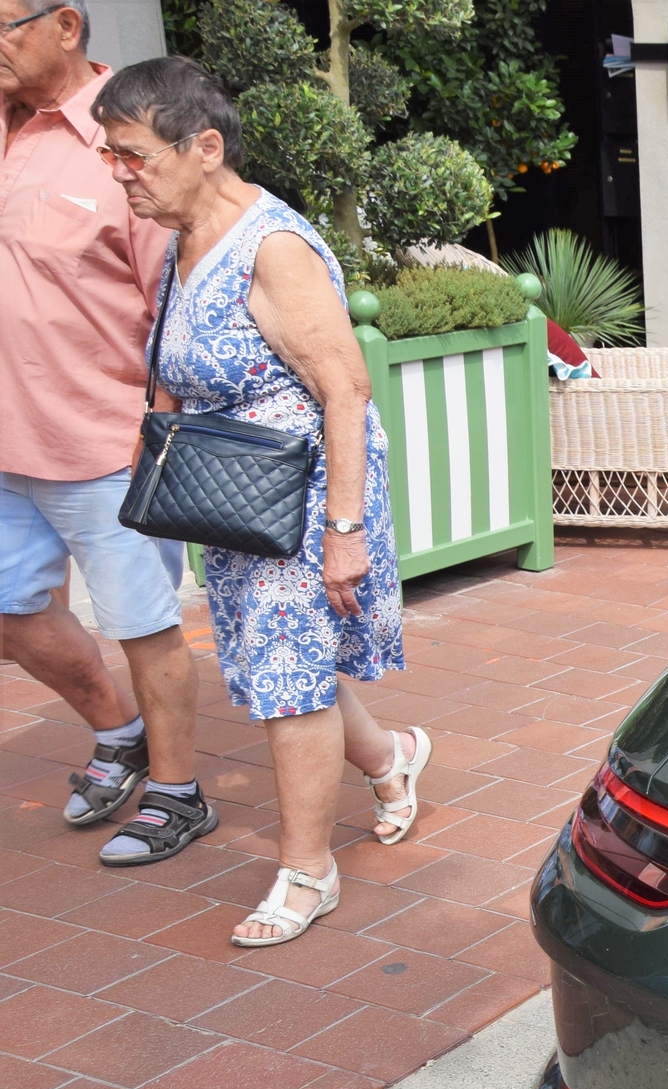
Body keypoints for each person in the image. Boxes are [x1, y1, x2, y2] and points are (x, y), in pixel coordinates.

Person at [94, 57, 428, 945]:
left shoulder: (271, 246)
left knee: (287, 681)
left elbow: (346, 392)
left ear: (204, 146)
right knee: (286, 669)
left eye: (134, 157)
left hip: (309, 489)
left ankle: (306, 871)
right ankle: (393, 759)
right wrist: (151, 455)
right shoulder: (181, 239)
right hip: (231, 491)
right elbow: (170, 366)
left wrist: (345, 531)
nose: (120, 174)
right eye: (111, 156)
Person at [0, 0, 213, 867]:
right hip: (5, 444)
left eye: (3, 23)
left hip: (105, 444)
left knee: (145, 627)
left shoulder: (123, 137)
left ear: (67, 24)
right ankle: (117, 731)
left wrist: (157, 425)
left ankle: (177, 791)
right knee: (11, 614)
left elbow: (174, 300)